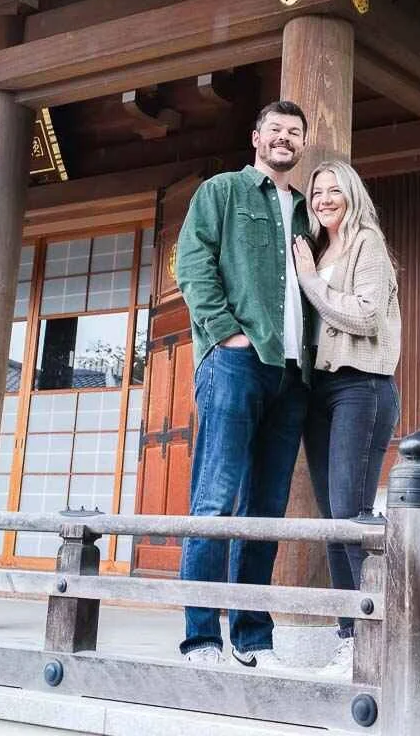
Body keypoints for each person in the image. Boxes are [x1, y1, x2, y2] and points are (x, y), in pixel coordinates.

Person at [173, 100, 316, 667]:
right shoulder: (222, 191)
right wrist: (225, 333)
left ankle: (253, 638)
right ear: (256, 136)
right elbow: (192, 263)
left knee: (265, 510)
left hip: (293, 372)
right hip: (236, 361)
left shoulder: (305, 209)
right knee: (214, 500)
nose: (284, 139)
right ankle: (201, 637)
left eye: (294, 132)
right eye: (275, 129)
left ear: (302, 144)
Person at [290, 158, 402, 678]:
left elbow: (367, 314)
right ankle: (350, 635)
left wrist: (312, 283)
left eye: (335, 190)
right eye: (317, 192)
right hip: (321, 389)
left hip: (362, 385)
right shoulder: (315, 250)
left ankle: (374, 639)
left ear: (352, 194)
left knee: (351, 515)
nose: (325, 199)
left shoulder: (366, 243)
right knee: (335, 521)